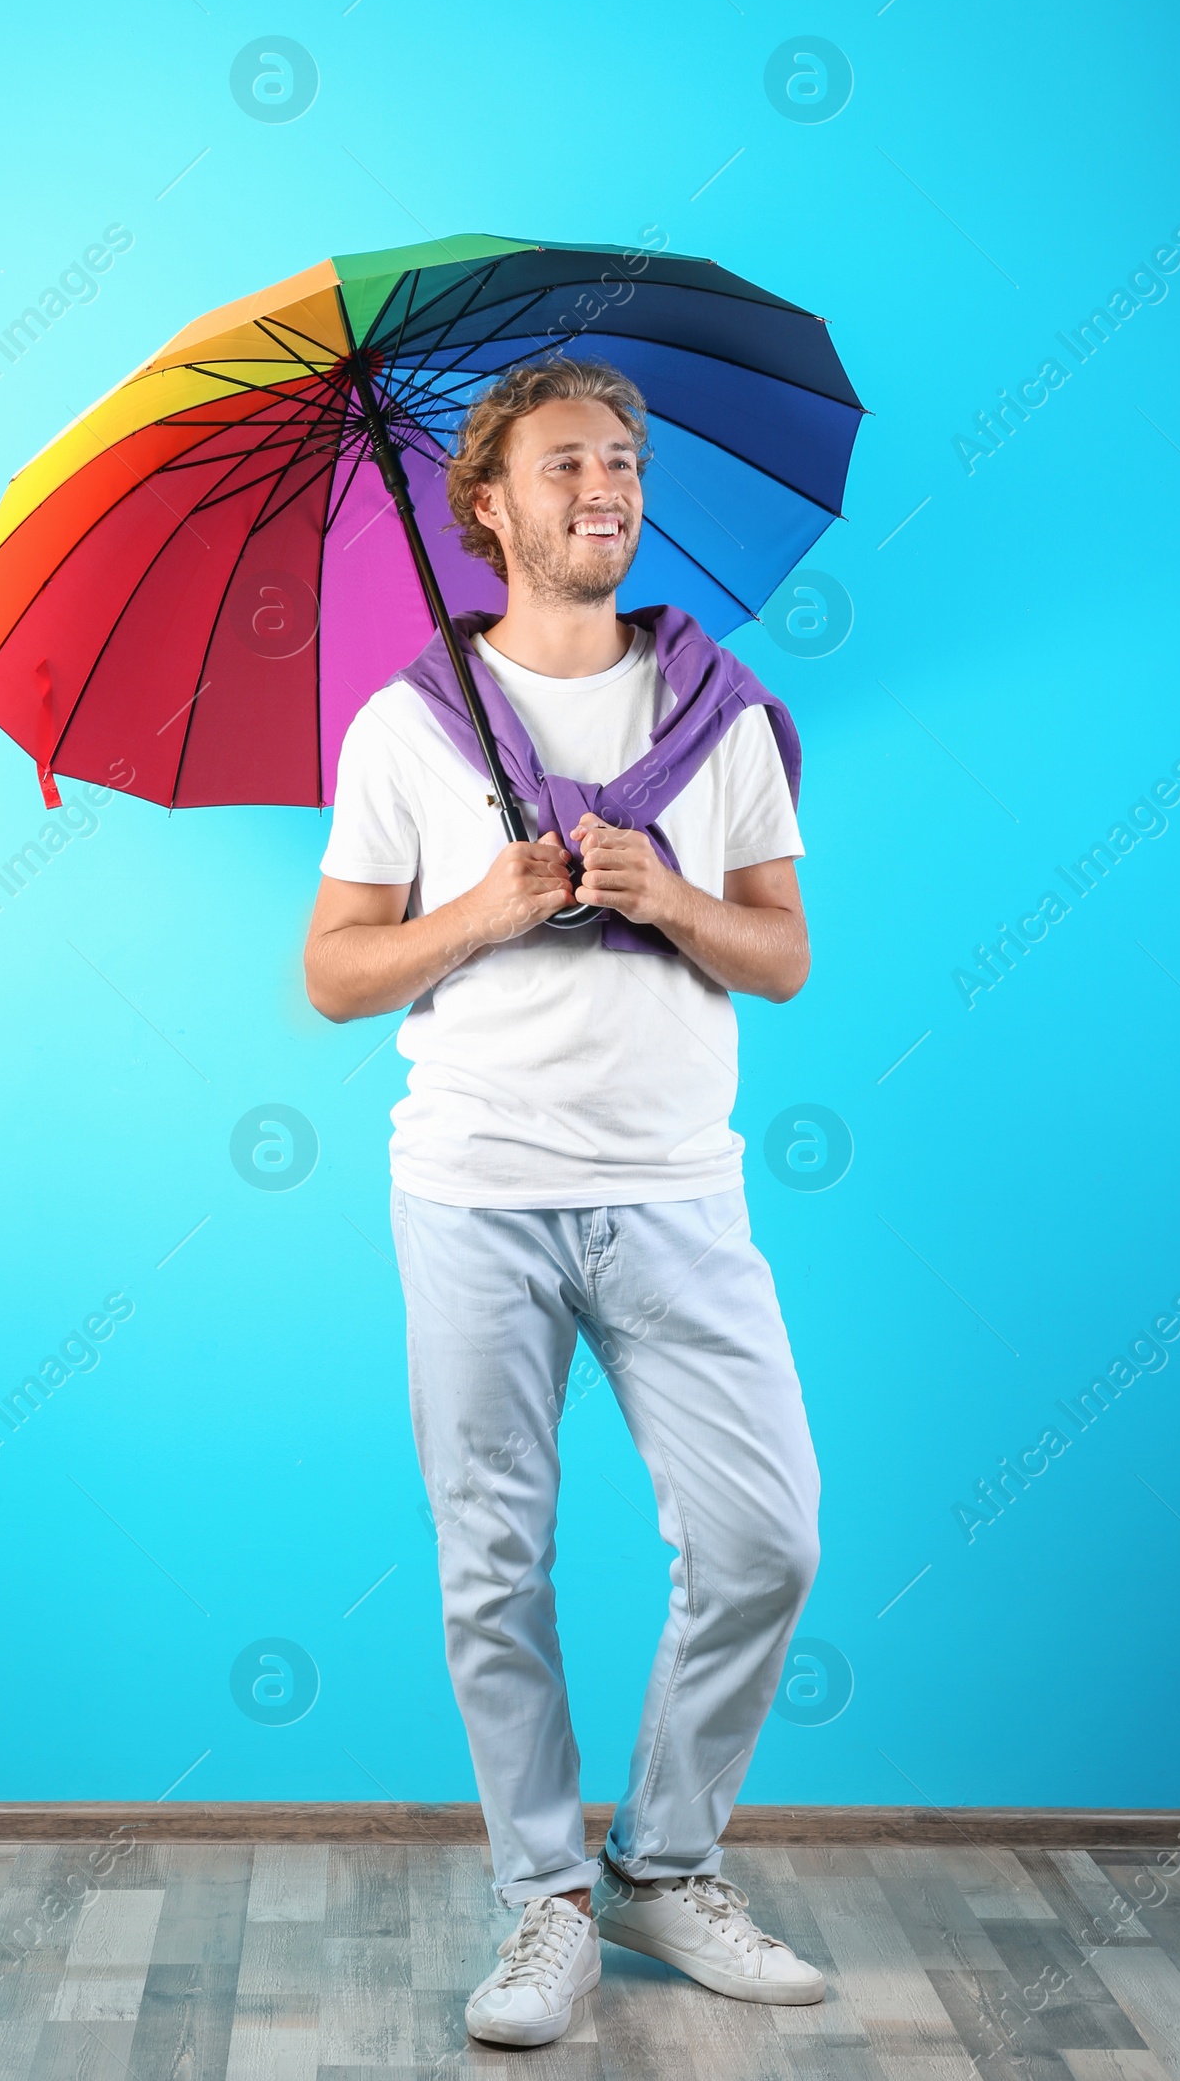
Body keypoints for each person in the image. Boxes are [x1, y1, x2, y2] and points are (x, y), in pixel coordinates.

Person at [304, 357, 824, 2049]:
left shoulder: (723, 713)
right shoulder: (407, 726)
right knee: (491, 1567)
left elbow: (785, 956)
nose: (607, 485)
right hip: (476, 1191)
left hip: (675, 1189)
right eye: (568, 463)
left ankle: (665, 1867)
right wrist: (478, 912)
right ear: (487, 506)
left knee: (763, 1541)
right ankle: (544, 1904)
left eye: (625, 460)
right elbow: (332, 973)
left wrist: (666, 897)